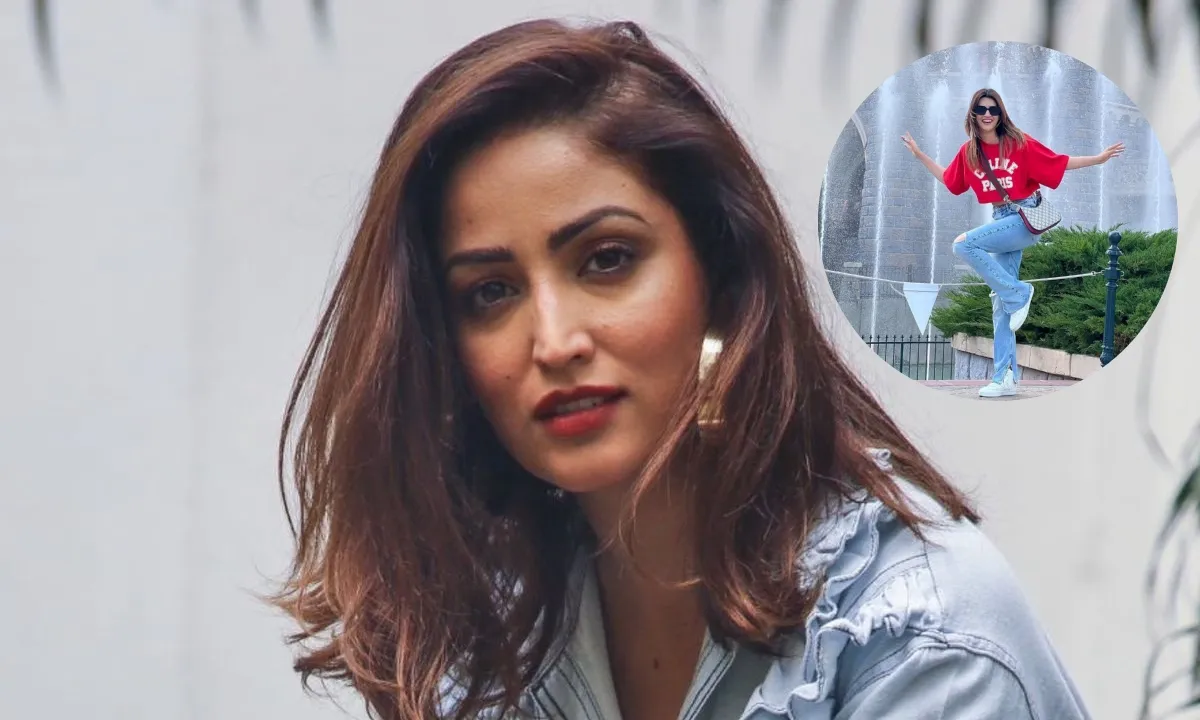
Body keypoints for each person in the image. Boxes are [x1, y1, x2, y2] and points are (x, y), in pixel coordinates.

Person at [269, 20, 1092, 719]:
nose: (553, 341)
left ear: (722, 280)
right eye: (490, 292)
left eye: (606, 259)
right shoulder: (488, 636)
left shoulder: (918, 634)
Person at [902, 88, 1123, 398]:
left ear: (1000, 113)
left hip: (1024, 216)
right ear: (973, 114)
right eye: (981, 109)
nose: (987, 114)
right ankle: (1004, 376)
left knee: (963, 244)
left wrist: (1098, 159)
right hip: (1001, 219)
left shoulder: (1018, 143)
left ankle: (1019, 292)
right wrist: (920, 155)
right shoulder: (969, 153)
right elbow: (950, 181)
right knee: (1000, 304)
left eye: (993, 109)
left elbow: (1058, 162)